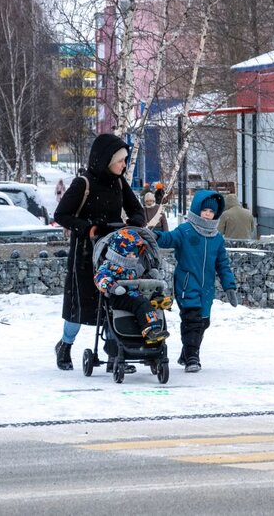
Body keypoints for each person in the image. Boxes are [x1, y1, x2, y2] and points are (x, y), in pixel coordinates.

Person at [51, 133, 146, 371]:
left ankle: (115, 351)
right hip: (84, 252)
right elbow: (61, 215)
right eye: (120, 160)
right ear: (106, 160)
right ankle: (65, 345)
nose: (124, 165)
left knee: (114, 298)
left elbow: (137, 211)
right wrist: (88, 228)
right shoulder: (83, 183)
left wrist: (132, 225)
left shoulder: (119, 183)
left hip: (113, 251)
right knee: (79, 304)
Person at [154, 189, 239, 373]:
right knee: (192, 320)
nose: (208, 215)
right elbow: (169, 239)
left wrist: (229, 286)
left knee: (203, 322)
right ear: (197, 210)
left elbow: (222, 264)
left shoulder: (217, 238)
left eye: (211, 212)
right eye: (205, 210)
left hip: (206, 289)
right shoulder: (185, 231)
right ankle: (193, 357)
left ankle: (186, 353)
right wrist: (155, 236)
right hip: (187, 284)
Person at [94, 227, 169, 344]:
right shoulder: (109, 265)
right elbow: (100, 278)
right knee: (141, 303)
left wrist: (150, 275)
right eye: (131, 253)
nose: (134, 256)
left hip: (135, 293)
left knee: (149, 293)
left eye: (135, 253)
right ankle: (151, 330)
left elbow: (140, 277)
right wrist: (112, 286)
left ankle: (157, 299)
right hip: (118, 297)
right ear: (120, 251)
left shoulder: (134, 266)